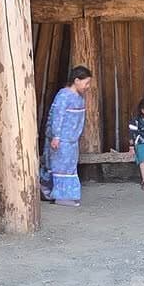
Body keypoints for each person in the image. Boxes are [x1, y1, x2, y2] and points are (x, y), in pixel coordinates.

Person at [44, 65, 93, 207]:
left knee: (68, 166)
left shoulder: (79, 97)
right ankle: (61, 196)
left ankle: (53, 191)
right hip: (62, 139)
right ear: (76, 80)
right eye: (86, 82)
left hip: (72, 139)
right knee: (62, 167)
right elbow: (57, 117)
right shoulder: (64, 95)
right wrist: (56, 136)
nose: (88, 86)